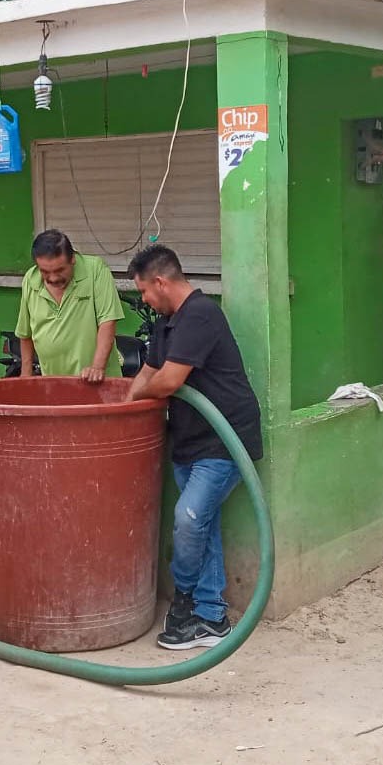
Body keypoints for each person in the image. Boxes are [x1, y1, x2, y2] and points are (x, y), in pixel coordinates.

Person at [125, 244, 263, 650]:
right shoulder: (166, 324)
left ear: (161, 282)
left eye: (145, 292)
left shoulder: (201, 315)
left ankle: (184, 602)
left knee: (188, 520)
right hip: (188, 441)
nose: (144, 300)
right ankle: (211, 617)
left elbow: (167, 383)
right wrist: (120, 411)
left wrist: (146, 392)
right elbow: (150, 372)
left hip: (224, 442)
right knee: (203, 526)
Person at [14, 230, 124, 382]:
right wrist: (26, 375)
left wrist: (97, 367)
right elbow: (25, 333)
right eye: (45, 272)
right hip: (54, 383)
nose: (52, 278)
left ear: (73, 259)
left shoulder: (95, 270)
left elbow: (107, 321)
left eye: (60, 270)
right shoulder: (30, 279)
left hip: (97, 383)